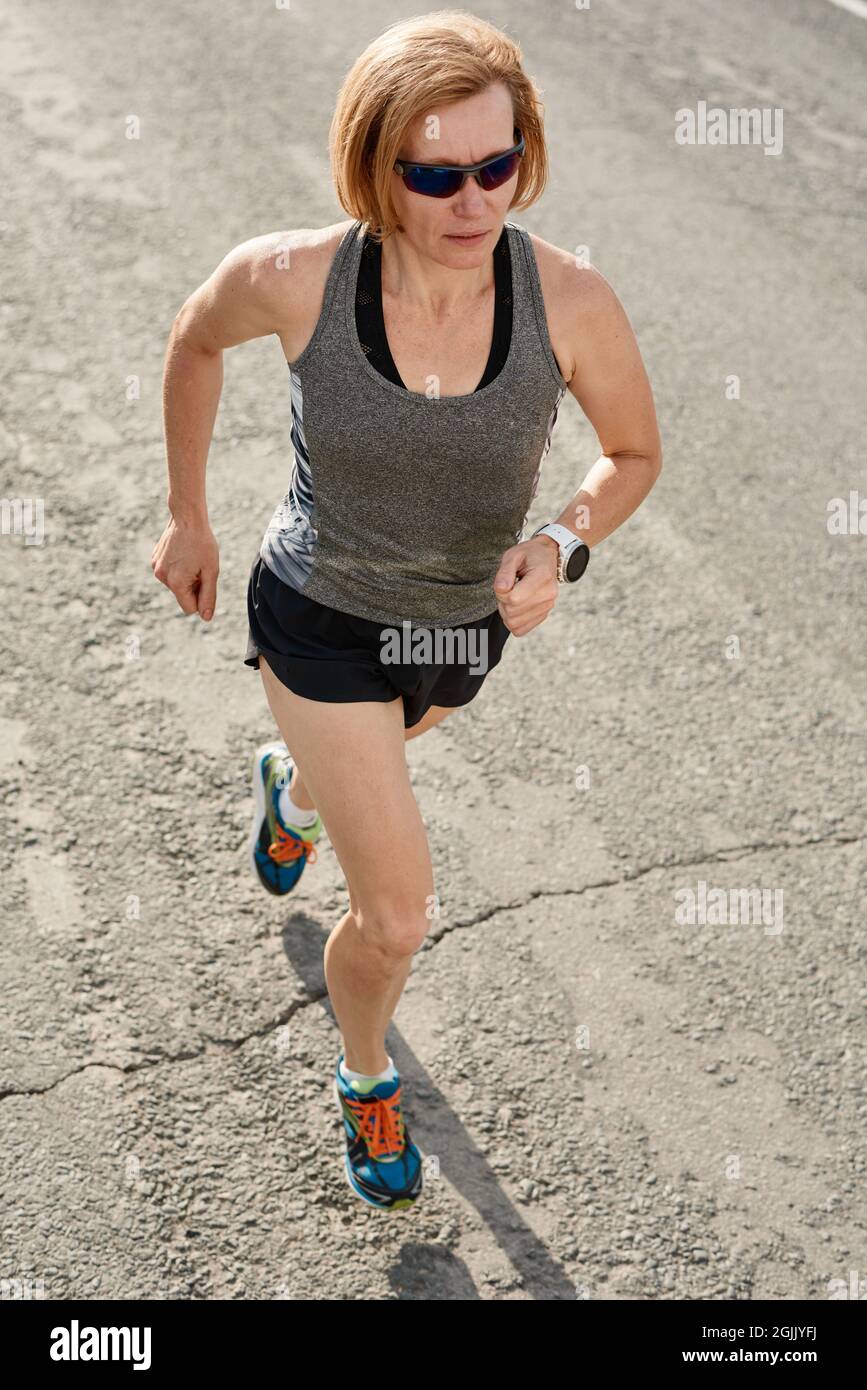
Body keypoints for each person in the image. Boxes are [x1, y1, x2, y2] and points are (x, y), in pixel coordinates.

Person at [151, 10, 662, 1212]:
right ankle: (366, 1073)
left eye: (499, 165)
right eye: (438, 174)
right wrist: (188, 515)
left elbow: (632, 454)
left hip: (453, 637)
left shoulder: (571, 302)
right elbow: (193, 337)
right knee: (395, 913)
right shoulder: (296, 279)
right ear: (377, 166)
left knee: (356, 780)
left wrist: (557, 539)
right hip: (320, 615)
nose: (476, 200)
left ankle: (297, 790)